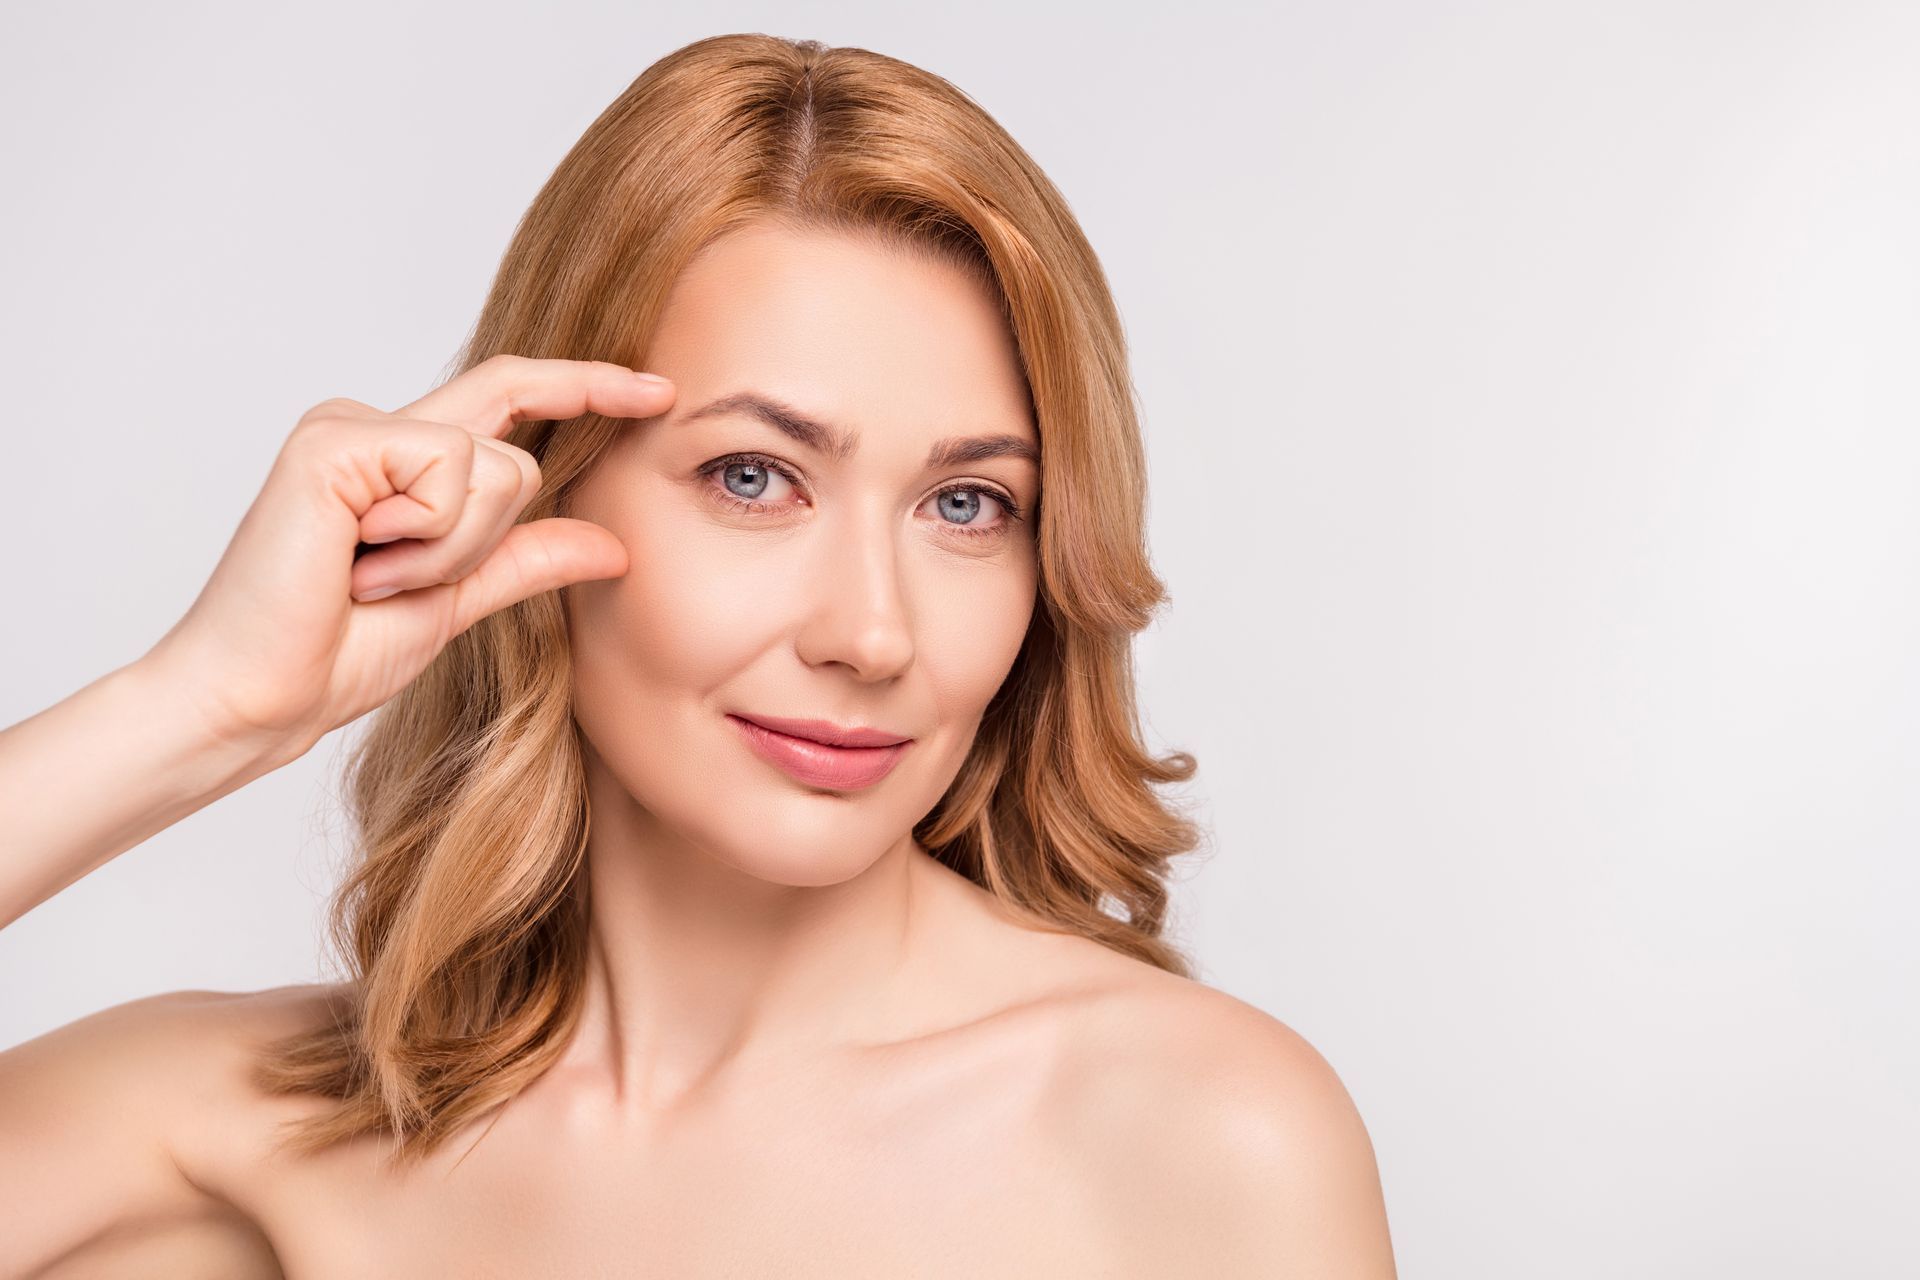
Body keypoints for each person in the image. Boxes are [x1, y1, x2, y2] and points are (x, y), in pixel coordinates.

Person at [0, 32, 1396, 1277]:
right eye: (752, 477)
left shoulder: (1198, 1138)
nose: (872, 633)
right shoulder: (226, 1139)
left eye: (968, 505)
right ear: (539, 489)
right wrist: (205, 709)